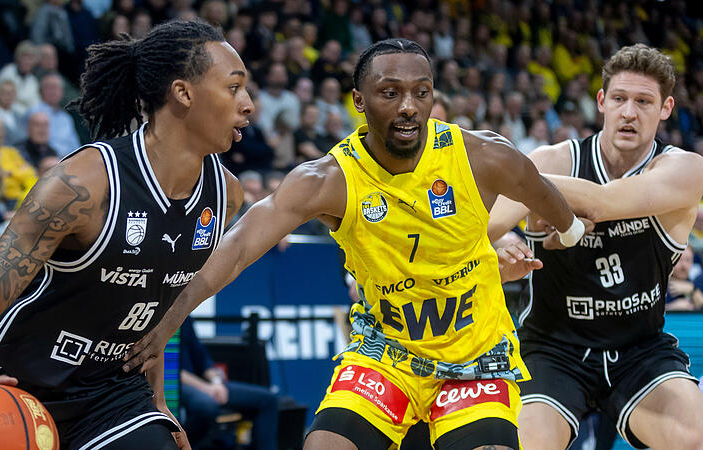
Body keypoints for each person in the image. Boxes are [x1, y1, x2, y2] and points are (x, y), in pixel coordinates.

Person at [123, 39, 585, 450]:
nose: (409, 107)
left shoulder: (481, 154)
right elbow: (240, 246)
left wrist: (568, 231)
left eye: (421, 92)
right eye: (390, 93)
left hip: (475, 356)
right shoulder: (328, 178)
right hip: (387, 356)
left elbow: (540, 188)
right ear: (359, 101)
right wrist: (171, 317)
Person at [0, 20, 254, 450]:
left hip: (112, 395)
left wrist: (157, 403)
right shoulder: (82, 186)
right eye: (234, 87)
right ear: (183, 93)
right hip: (19, 387)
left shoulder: (224, 195)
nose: (248, 104)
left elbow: (152, 306)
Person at [488, 44, 703, 450]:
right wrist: (500, 247)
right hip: (552, 350)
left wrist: (528, 184)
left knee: (694, 438)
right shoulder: (554, 161)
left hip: (639, 350)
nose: (629, 112)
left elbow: (602, 202)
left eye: (644, 102)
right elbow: (480, 230)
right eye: (619, 99)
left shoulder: (685, 169)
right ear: (602, 101)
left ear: (666, 108)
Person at [180, 317, 279, 449]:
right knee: (207, 406)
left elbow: (202, 358)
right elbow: (169, 371)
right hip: (173, 385)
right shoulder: (160, 319)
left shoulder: (185, 318)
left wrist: (216, 383)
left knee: (267, 399)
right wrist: (207, 388)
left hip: (205, 383)